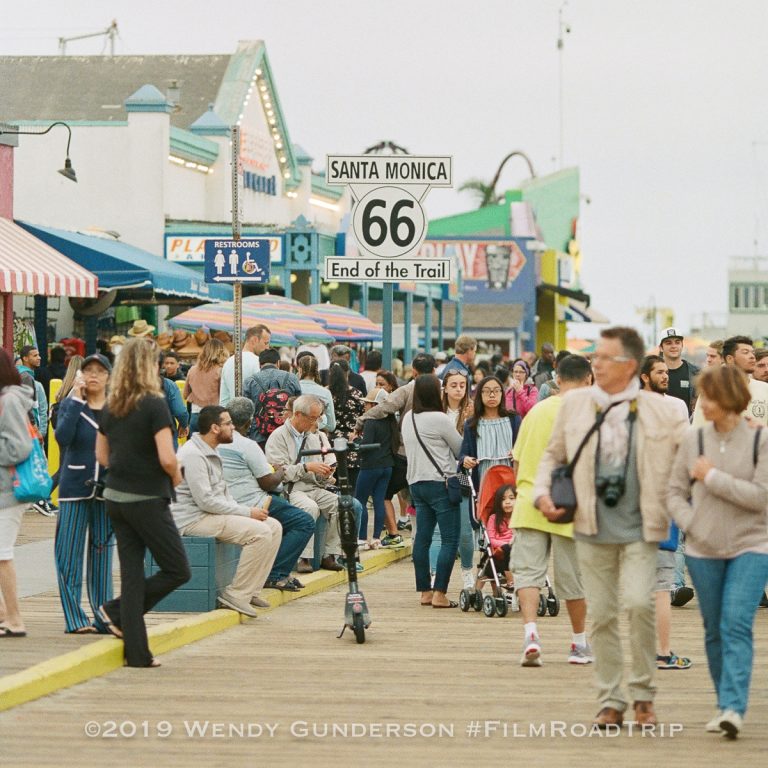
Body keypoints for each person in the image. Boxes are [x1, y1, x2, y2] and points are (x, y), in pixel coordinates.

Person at [534, 327, 688, 728]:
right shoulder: (575, 405)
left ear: (631, 366)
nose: (594, 364)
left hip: (642, 525)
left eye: (604, 358)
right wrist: (541, 494)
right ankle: (610, 699)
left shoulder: (664, 410)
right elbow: (553, 456)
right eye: (594, 358)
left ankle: (643, 695)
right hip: (590, 524)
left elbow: (689, 459)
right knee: (601, 614)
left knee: (639, 603)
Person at [668, 365, 768, 738]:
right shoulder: (693, 440)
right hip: (702, 549)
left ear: (728, 399)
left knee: (736, 624)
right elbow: (673, 492)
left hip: (752, 546)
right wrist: (692, 524)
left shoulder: (761, 441)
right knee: (713, 630)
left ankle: (733, 708)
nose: (700, 403)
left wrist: (711, 478)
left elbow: (760, 498)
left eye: (707, 396)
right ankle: (723, 701)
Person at [96, 338, 190, 667]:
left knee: (132, 575)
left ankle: (137, 653)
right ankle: (115, 610)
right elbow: (167, 457)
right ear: (148, 367)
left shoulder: (111, 405)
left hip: (116, 498)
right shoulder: (154, 403)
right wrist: (176, 477)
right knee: (178, 569)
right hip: (148, 498)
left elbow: (102, 456)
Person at [511, 353, 594, 667]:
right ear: (589, 380)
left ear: (557, 379)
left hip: (530, 502)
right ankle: (578, 643)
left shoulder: (536, 412)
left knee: (528, 574)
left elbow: (517, 461)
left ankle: (531, 634)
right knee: (574, 580)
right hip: (569, 507)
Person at [171, 405, 281, 616]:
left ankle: (251, 591)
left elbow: (223, 493)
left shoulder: (212, 450)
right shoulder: (193, 454)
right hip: (192, 519)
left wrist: (247, 510)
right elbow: (206, 501)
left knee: (273, 526)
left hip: (210, 514)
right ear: (214, 428)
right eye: (228, 424)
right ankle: (236, 594)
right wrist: (248, 513)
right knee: (261, 533)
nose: (233, 428)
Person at [219, 397, 314, 593]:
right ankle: (275, 574)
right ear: (249, 421)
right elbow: (268, 482)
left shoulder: (215, 441)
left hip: (227, 502)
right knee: (303, 522)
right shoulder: (246, 445)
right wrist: (279, 471)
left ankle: (273, 572)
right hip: (252, 502)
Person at [639, 354, 693, 667]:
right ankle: (661, 652)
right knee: (660, 586)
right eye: (659, 371)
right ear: (645, 376)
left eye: (666, 371)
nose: (666, 376)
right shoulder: (673, 408)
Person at [54, 353, 114, 634]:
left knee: (102, 553)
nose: (93, 375)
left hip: (107, 491)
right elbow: (62, 437)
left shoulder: (117, 409)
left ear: (108, 377)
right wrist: (76, 400)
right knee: (68, 553)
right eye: (88, 370)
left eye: (99, 371)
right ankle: (75, 618)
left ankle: (104, 616)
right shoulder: (71, 404)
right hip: (75, 487)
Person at [401, 374, 463, 608]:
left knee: (422, 539)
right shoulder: (440, 418)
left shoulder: (408, 418)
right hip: (441, 483)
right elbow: (459, 449)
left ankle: (425, 591)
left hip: (416, 483)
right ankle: (440, 594)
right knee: (449, 539)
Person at [264, 395, 344, 574]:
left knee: (341, 505)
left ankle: (330, 554)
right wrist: (306, 467)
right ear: (298, 414)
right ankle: (303, 557)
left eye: (318, 418)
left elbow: (315, 473)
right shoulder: (278, 437)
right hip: (291, 489)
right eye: (312, 418)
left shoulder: (312, 436)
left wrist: (324, 473)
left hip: (313, 487)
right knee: (309, 508)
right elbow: (279, 473)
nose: (315, 422)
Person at [0, 350, 35, 637]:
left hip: (9, 491)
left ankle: (14, 619)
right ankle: (4, 614)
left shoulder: (9, 400)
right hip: (3, 489)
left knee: (2, 555)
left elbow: (19, 447)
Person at [431, 369, 474, 589]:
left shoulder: (472, 412)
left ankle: (467, 571)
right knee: (438, 530)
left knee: (466, 531)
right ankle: (434, 575)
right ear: (445, 388)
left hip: (463, 477)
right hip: (438, 476)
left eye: (462, 385)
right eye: (454, 385)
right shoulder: (436, 413)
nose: (458, 389)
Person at [459, 376, 521, 491]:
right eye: (487, 391)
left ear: (502, 393)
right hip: (483, 482)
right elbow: (463, 454)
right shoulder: (472, 424)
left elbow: (525, 447)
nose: (492, 395)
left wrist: (517, 452)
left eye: (496, 391)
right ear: (480, 395)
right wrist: (466, 460)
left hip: (510, 481)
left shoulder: (514, 419)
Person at [693, 335, 768, 428]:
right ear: (729, 359)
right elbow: (698, 428)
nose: (752, 356)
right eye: (746, 352)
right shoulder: (711, 390)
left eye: (752, 353)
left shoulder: (764, 388)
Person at [355, 388, 398, 546]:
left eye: (367, 403)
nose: (365, 406)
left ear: (374, 405)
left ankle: (361, 538)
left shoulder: (371, 422)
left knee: (361, 500)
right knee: (379, 500)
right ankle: (376, 538)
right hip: (387, 465)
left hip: (370, 465)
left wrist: (355, 442)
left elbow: (366, 446)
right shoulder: (390, 421)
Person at [243, 348, 302, 445]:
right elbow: (299, 405)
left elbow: (246, 411)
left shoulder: (250, 381)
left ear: (259, 364)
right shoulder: (292, 378)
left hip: (259, 435)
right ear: (278, 363)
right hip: (287, 434)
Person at [328, 359, 366, 491]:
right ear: (348, 373)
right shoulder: (357, 394)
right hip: (352, 443)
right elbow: (364, 418)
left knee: (331, 489)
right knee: (352, 489)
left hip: (330, 445)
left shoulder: (326, 394)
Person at [184, 338, 228, 434]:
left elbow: (185, 394)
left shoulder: (192, 370)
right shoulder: (220, 371)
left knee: (195, 448)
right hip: (213, 416)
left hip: (195, 416)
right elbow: (223, 395)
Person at [218, 324, 271, 405]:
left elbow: (223, 400)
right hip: (251, 415)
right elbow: (264, 396)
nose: (267, 348)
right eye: (266, 343)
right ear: (255, 340)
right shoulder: (258, 362)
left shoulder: (228, 362)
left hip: (231, 414)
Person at [658, 327, 700, 416]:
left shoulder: (696, 373)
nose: (674, 346)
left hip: (685, 426)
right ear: (661, 348)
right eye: (668, 343)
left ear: (682, 345)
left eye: (677, 342)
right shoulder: (652, 372)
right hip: (659, 426)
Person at [297, 354, 335, 433]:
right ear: (316, 371)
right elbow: (331, 426)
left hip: (295, 435)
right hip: (315, 437)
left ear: (300, 370)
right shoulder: (326, 393)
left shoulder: (294, 389)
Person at [486, 483, 515, 587]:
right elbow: (491, 539)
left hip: (517, 550)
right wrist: (507, 544)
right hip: (499, 552)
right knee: (507, 548)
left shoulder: (518, 518)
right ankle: (510, 581)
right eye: (503, 499)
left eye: (511, 498)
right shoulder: (493, 518)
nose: (507, 502)